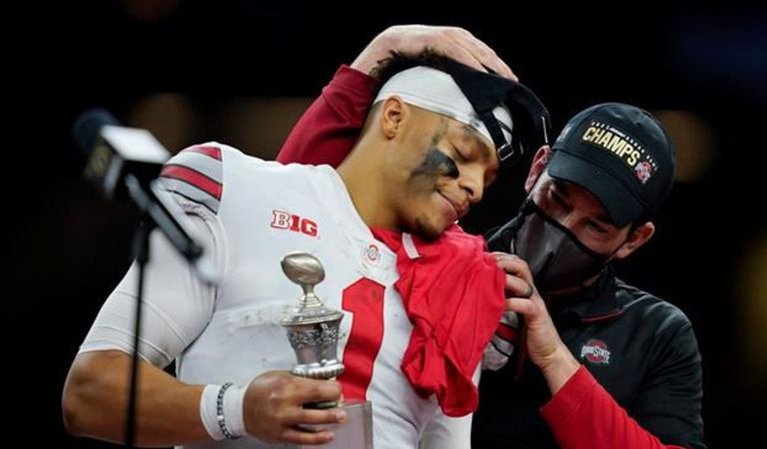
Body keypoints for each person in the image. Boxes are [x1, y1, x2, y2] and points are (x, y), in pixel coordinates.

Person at [62, 30, 549, 449]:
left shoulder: (461, 278)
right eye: (462, 154)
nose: (475, 187)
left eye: (488, 176)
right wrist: (237, 409)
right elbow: (89, 393)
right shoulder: (238, 191)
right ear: (394, 117)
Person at [276, 25, 705, 449]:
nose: (564, 227)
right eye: (557, 197)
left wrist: (553, 357)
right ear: (537, 168)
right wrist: (382, 51)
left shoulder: (657, 334)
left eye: (596, 226)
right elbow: (299, 208)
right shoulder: (442, 258)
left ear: (635, 239)